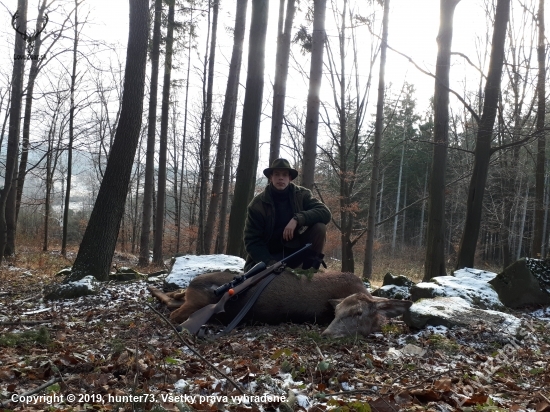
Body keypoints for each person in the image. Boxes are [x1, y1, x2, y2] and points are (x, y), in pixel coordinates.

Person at [243, 158, 331, 272]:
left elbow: (325, 213)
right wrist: (270, 263)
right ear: (271, 177)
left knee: (320, 227)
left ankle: (310, 271)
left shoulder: (302, 195)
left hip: (295, 252)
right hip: (268, 256)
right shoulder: (257, 205)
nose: (281, 178)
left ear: (290, 178)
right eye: (277, 174)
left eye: (284, 175)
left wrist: (298, 219)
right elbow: (252, 241)